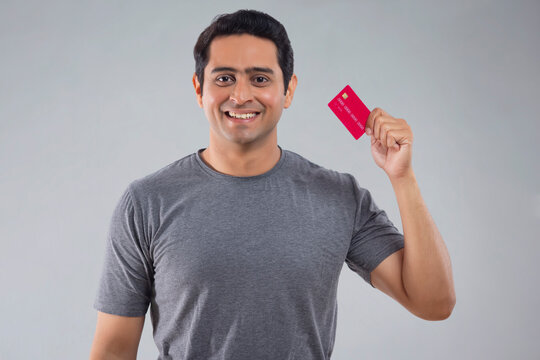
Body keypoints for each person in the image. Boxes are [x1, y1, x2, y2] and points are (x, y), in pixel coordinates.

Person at [89, 9, 455, 360]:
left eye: (260, 79)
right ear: (199, 89)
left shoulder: (341, 198)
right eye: (224, 78)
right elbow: (113, 351)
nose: (241, 95)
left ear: (288, 90)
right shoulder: (146, 202)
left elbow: (434, 303)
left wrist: (402, 178)